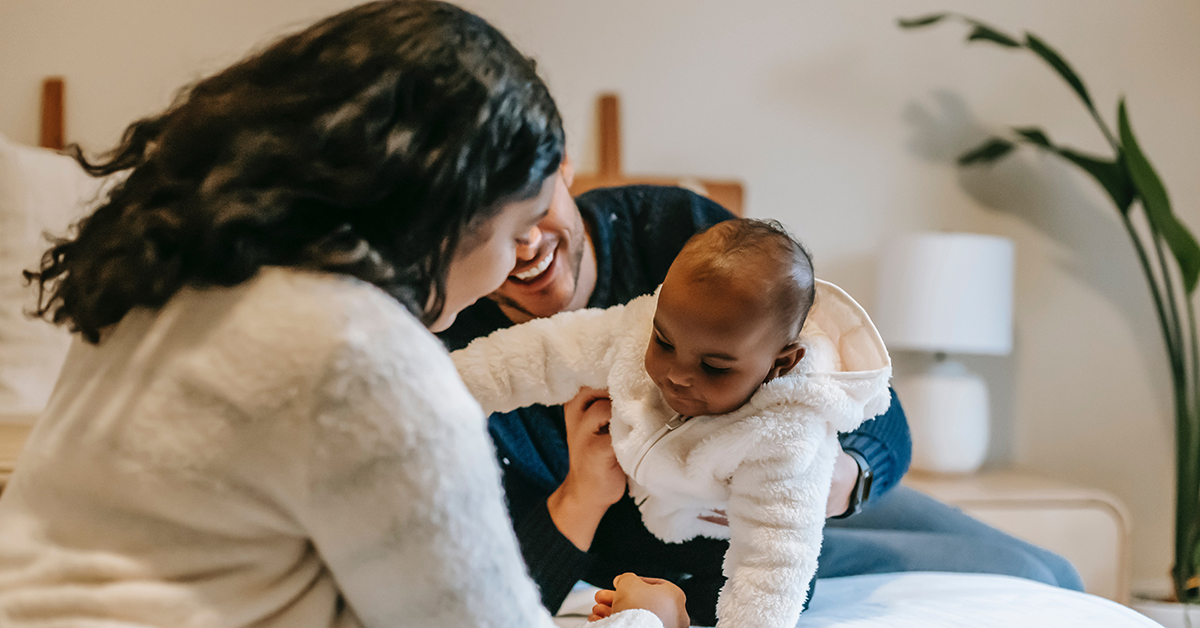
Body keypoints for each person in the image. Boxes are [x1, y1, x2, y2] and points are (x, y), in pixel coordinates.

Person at [0, 2, 688, 627]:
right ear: (453, 210)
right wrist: (647, 622)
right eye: (518, 231)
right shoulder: (365, 355)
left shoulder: (176, 271)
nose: (516, 262)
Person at [439, 156, 1084, 625]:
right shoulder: (453, 351)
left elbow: (873, 410)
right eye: (480, 226)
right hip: (682, 563)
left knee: (1054, 574)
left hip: (803, 502)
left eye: (531, 203)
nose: (524, 243)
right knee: (1030, 581)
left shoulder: (683, 235)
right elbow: (496, 598)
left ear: (562, 166)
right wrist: (582, 494)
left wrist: (838, 477)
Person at [452, 218, 893, 628]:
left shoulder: (786, 433)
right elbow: (539, 354)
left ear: (781, 363)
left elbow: (772, 566)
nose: (677, 375)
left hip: (721, 547)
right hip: (635, 531)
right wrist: (440, 385)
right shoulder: (635, 327)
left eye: (715, 367)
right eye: (664, 342)